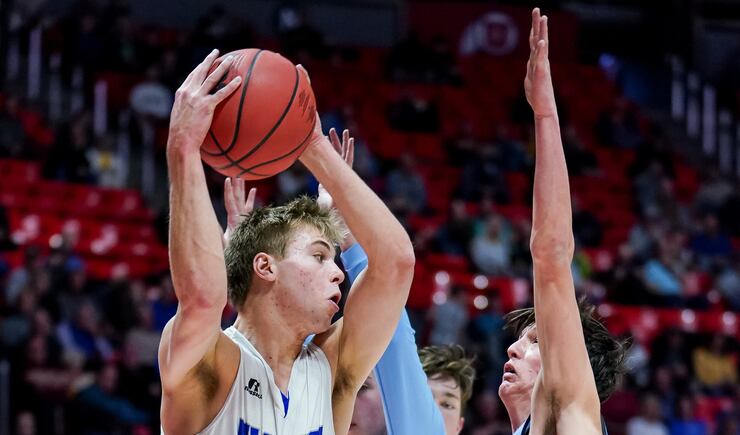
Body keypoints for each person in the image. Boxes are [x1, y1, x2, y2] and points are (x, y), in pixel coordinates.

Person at [158, 50, 415, 434]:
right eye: (319, 256)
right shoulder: (212, 364)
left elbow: (396, 264)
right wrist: (183, 148)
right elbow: (202, 299)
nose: (338, 274)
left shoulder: (332, 371)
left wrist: (312, 142)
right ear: (265, 266)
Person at [226, 130, 474, 435]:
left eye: (446, 404)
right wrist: (241, 269)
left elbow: (394, 273)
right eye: (319, 257)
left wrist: (318, 152)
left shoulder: (345, 374)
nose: (429, 407)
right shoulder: (281, 373)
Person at [497, 9, 629, 435]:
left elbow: (551, 255)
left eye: (536, 341)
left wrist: (544, 115)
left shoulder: (571, 410)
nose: (514, 348)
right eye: (524, 338)